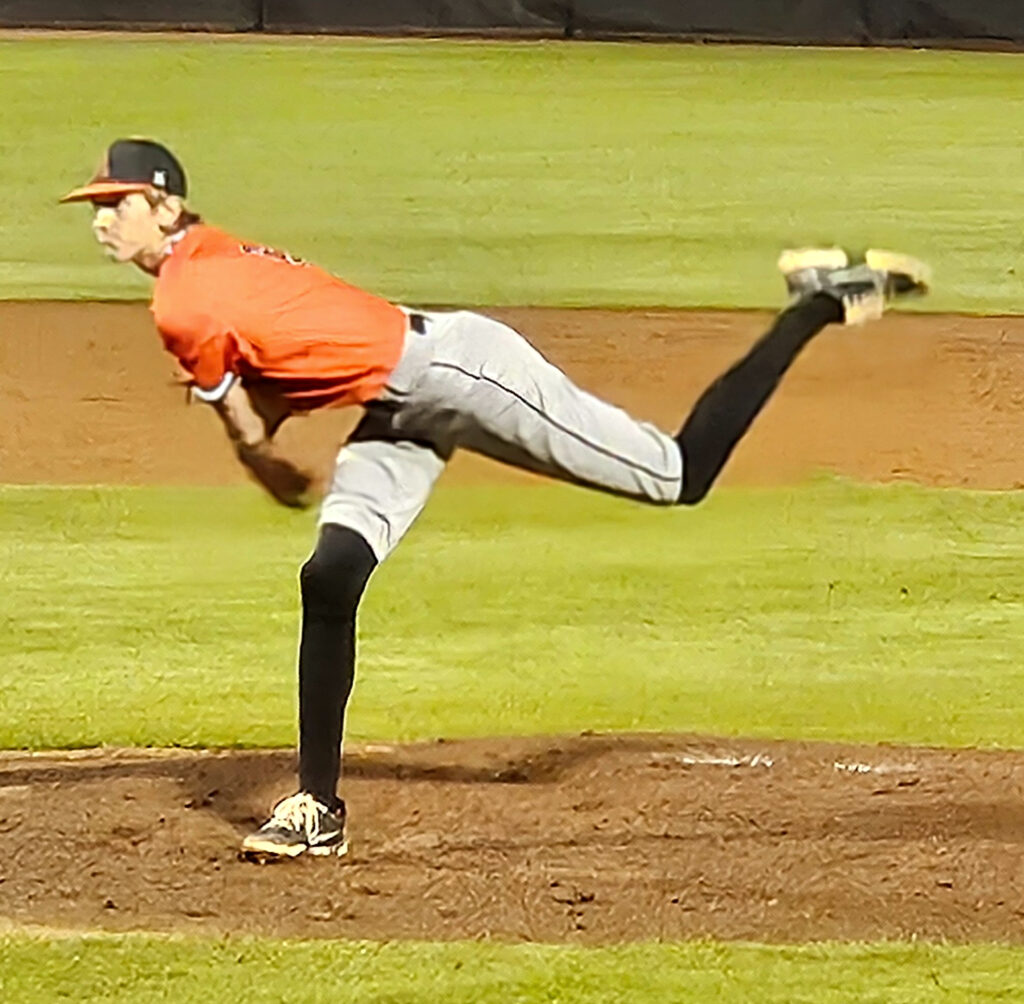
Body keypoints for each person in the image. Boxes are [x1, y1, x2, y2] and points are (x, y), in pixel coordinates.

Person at [61, 138, 929, 860]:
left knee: (678, 475)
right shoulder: (221, 254)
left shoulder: (182, 297)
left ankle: (813, 306)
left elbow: (251, 429)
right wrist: (268, 428)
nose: (103, 221)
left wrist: (266, 465)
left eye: (119, 203)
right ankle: (317, 810)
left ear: (169, 207)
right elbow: (299, 363)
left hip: (463, 372)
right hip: (400, 405)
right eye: (98, 206)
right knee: (328, 579)